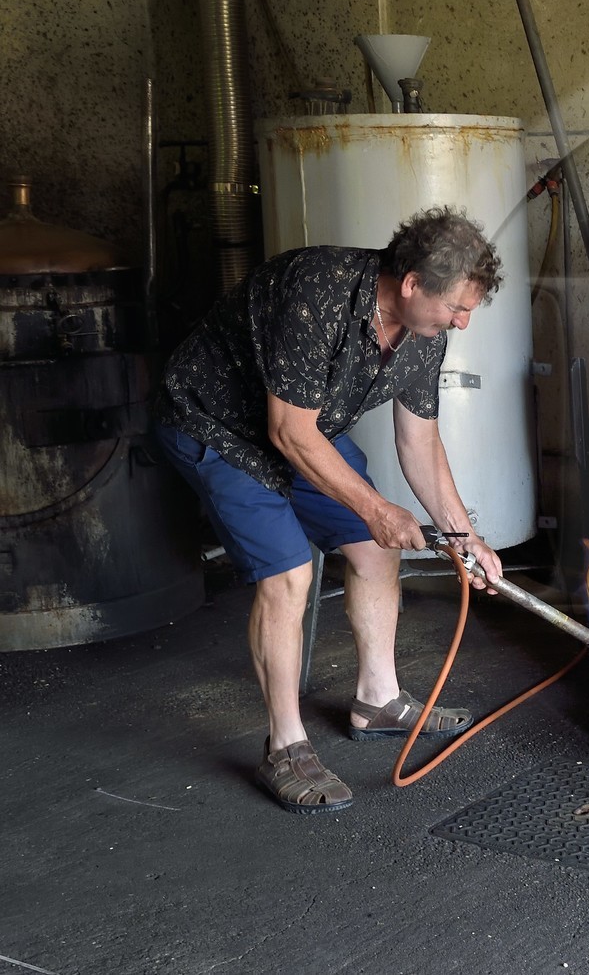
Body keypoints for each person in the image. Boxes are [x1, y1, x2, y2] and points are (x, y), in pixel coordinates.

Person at [154, 205, 506, 814]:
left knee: (375, 548)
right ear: (412, 283)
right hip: (221, 424)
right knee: (290, 576)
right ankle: (285, 747)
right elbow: (288, 432)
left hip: (305, 426)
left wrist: (464, 536)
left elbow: (418, 440)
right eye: (457, 307)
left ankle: (377, 700)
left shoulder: (426, 333)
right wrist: (375, 507)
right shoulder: (318, 290)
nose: (463, 323)